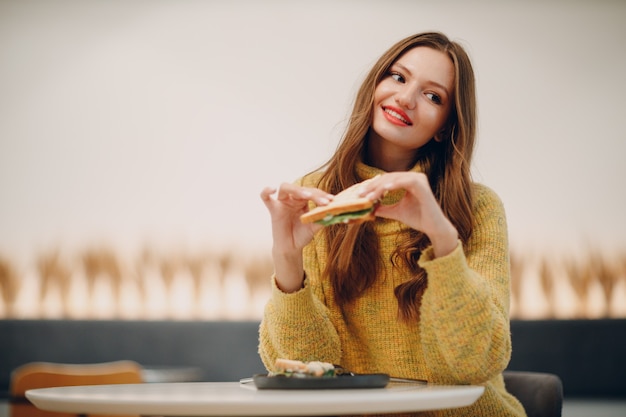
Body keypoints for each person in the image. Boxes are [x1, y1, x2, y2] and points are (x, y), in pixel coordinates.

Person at [259, 32, 526, 417]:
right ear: (374, 86)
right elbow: (307, 370)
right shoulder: (314, 195)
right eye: (398, 77)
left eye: (433, 96)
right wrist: (287, 259)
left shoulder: (477, 207)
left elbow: (473, 365)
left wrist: (443, 239)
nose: (405, 98)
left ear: (445, 126)